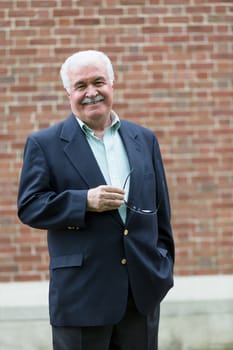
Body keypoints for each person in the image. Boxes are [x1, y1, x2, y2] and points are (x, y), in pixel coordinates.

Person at [17, 50, 175, 350]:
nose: (91, 92)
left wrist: (162, 267)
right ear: (69, 92)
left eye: (98, 82)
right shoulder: (45, 144)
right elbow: (30, 206)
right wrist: (84, 201)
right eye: (81, 86)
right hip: (81, 296)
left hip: (140, 294)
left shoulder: (144, 139)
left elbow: (161, 211)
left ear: (112, 84)